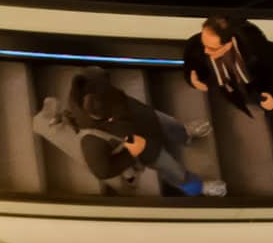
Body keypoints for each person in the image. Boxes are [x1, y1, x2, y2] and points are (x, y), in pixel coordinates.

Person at [37, 76, 209, 198]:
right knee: (172, 168)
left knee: (169, 124)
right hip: (143, 147)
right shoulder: (91, 142)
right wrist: (131, 152)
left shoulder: (95, 88)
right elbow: (103, 171)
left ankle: (184, 134)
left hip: (147, 118)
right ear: (100, 117)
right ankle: (196, 187)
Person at [179, 13, 273, 137]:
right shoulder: (197, 45)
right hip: (244, 91)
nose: (205, 51)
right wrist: (192, 79)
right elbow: (191, 64)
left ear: (228, 44)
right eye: (204, 43)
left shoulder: (253, 43)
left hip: (265, 82)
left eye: (212, 48)